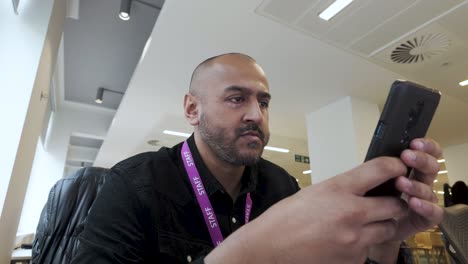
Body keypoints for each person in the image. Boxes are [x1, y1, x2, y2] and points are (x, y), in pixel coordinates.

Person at [71, 53, 443, 264]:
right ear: (191, 109)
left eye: (263, 102)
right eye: (236, 99)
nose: (256, 115)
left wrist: (383, 240)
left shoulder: (281, 186)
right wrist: (244, 253)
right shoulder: (132, 186)